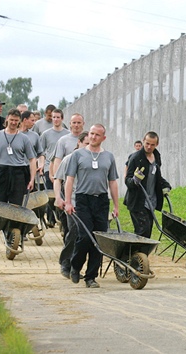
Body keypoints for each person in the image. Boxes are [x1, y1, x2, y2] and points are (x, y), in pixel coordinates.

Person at [64, 124, 119, 288]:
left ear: (103, 138)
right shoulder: (78, 155)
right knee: (85, 236)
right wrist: (68, 202)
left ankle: (91, 277)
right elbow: (70, 179)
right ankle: (75, 266)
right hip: (83, 199)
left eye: (97, 135)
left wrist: (116, 206)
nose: (93, 137)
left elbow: (113, 182)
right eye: (91, 133)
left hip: (101, 200)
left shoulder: (109, 157)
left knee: (98, 239)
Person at [0, 109, 37, 247]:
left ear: (19, 121)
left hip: (18, 173)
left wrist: (31, 179)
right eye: (11, 120)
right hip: (1, 171)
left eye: (16, 120)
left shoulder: (24, 138)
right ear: (7, 119)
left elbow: (32, 159)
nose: (13, 123)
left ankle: (11, 236)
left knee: (15, 208)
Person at [54, 132, 89, 279]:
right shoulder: (69, 159)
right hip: (72, 202)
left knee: (85, 236)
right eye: (85, 143)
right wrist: (58, 197)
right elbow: (58, 179)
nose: (88, 146)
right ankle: (65, 262)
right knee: (74, 232)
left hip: (88, 204)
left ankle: (77, 266)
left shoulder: (94, 159)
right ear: (79, 143)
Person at [124, 131, 171, 238]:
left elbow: (157, 176)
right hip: (138, 201)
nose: (149, 147)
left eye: (152, 144)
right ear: (143, 141)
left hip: (151, 202)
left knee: (148, 231)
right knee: (143, 230)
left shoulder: (156, 157)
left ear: (156, 144)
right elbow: (127, 180)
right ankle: (135, 253)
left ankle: (141, 254)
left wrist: (166, 186)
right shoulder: (136, 158)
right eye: (147, 143)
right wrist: (135, 180)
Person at [39, 109, 69, 226]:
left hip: (64, 168)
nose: (56, 120)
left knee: (63, 193)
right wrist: (41, 165)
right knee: (51, 193)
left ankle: (62, 218)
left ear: (62, 119)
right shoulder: (45, 134)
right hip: (49, 167)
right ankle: (51, 218)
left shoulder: (67, 134)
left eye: (58, 117)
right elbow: (41, 151)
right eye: (54, 117)